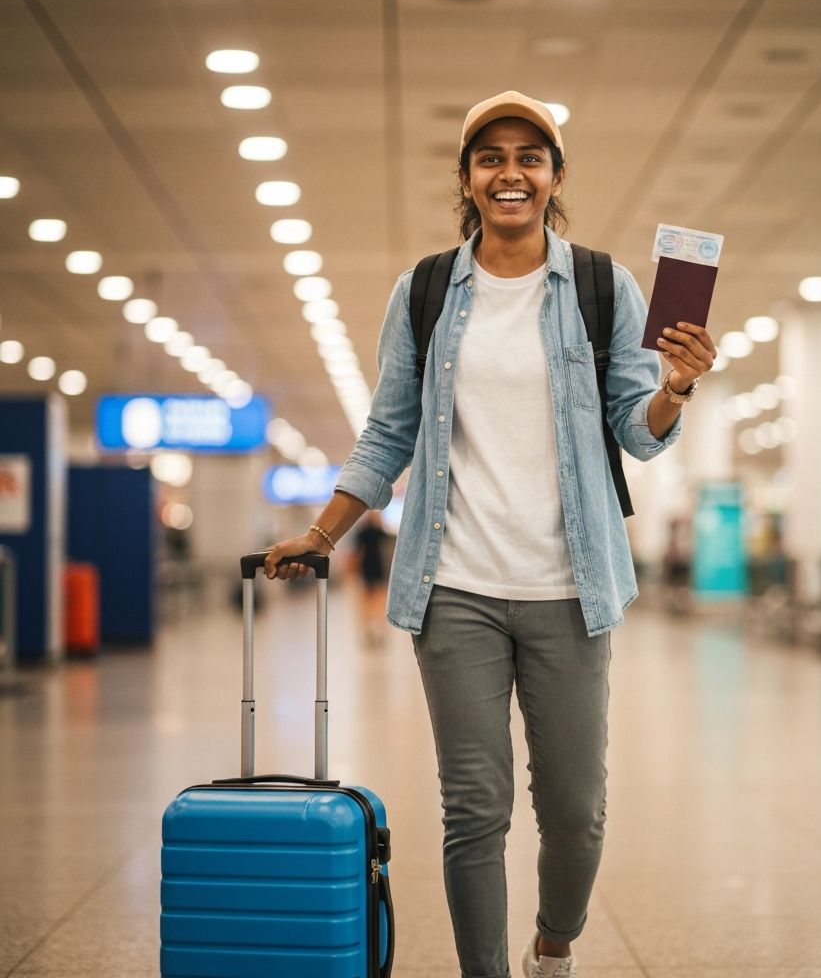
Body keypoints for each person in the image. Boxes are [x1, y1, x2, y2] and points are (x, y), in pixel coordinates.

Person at [264, 91, 717, 978]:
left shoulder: (601, 284)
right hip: (457, 586)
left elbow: (637, 424)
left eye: (529, 157)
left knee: (575, 808)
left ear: (554, 176)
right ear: (468, 178)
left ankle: (553, 943)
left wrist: (677, 388)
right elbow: (389, 430)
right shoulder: (427, 290)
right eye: (491, 157)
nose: (510, 172)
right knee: (475, 808)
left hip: (572, 585)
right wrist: (322, 531)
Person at [349, 510, 390, 646]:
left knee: (378, 600)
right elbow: (356, 553)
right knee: (368, 600)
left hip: (376, 567)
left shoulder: (375, 532)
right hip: (368, 568)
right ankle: (369, 629)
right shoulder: (365, 532)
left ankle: (377, 629)